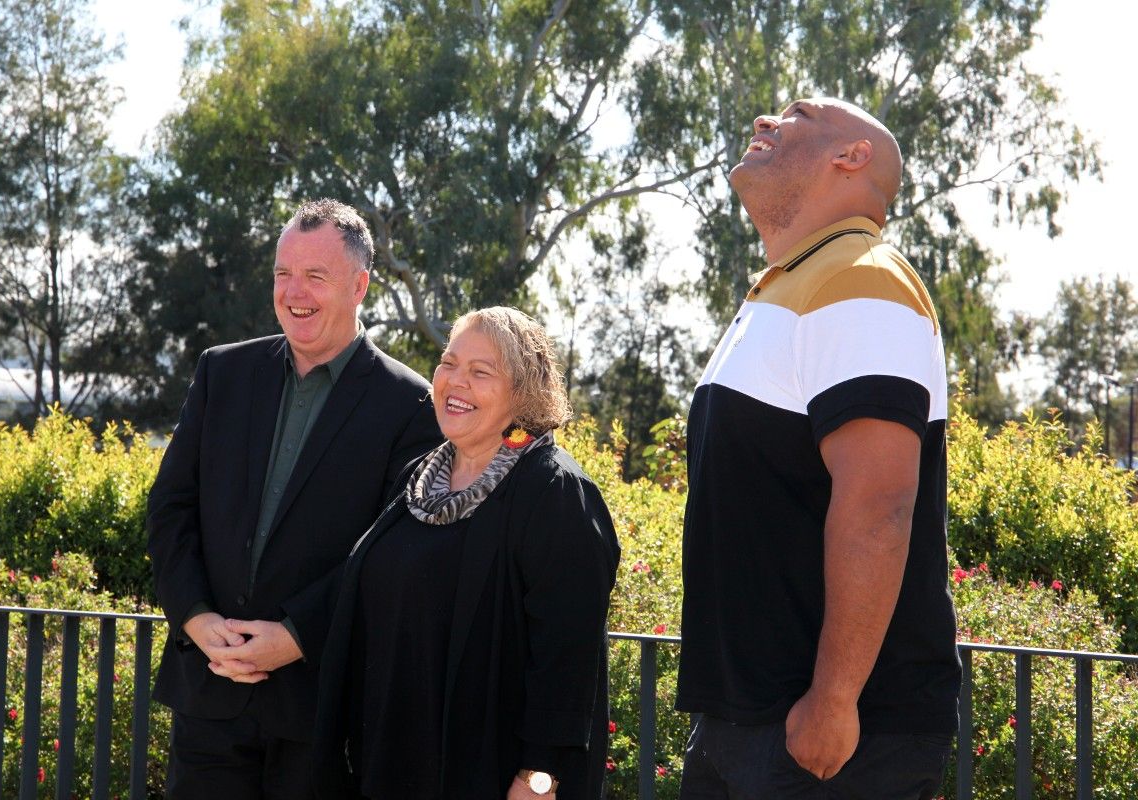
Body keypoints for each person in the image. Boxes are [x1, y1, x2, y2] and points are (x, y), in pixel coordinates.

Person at [675, 98, 961, 799]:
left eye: (794, 114)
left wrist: (834, 700)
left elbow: (879, 506)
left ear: (852, 156)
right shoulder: (788, 288)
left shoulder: (862, 278)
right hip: (749, 726)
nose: (764, 122)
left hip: (829, 742)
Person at [147, 199, 443, 799]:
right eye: (283, 274)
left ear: (360, 285)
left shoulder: (411, 405)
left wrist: (298, 636)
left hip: (322, 713)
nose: (294, 292)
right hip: (208, 691)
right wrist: (196, 617)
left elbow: (390, 555)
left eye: (316, 276)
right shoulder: (221, 373)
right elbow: (171, 507)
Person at [311, 306, 621, 800]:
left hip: (490, 776)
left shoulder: (553, 491)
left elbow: (569, 659)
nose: (455, 382)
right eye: (448, 364)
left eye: (481, 372)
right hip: (391, 765)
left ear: (523, 392)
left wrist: (538, 780)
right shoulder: (416, 480)